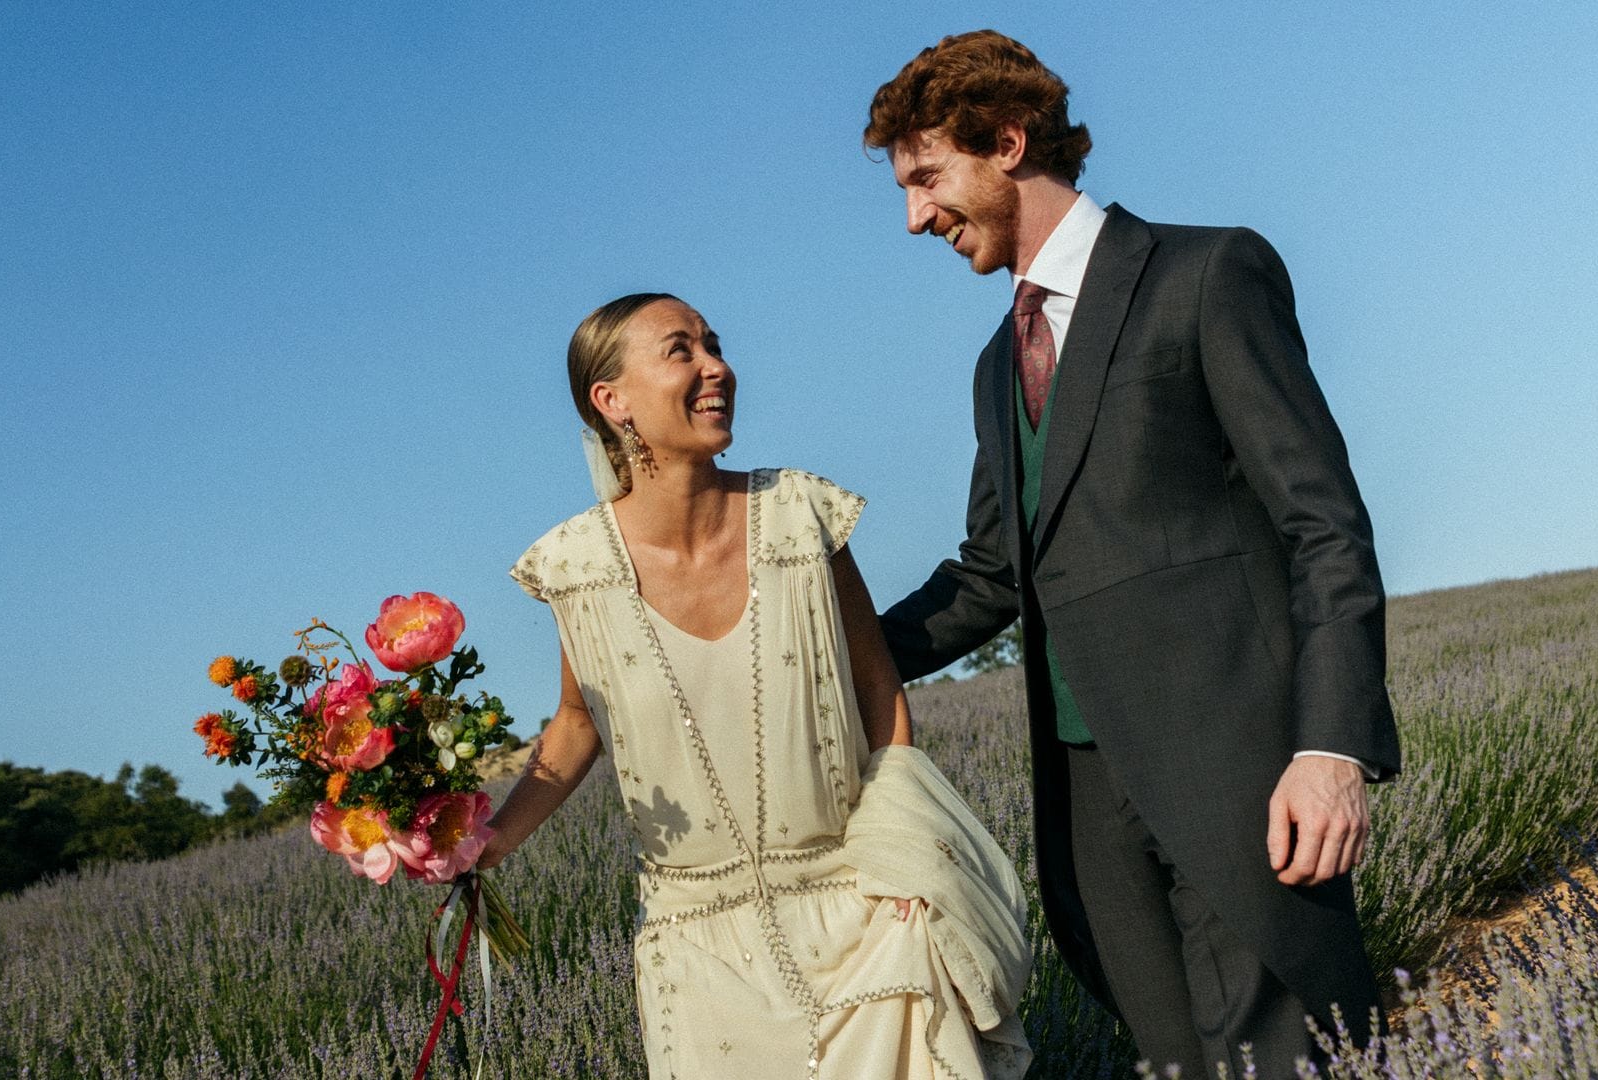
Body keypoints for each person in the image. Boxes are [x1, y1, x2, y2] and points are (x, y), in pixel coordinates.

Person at [864, 31, 1403, 1079]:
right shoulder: (993, 365)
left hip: (1242, 781)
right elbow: (989, 577)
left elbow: (1323, 525)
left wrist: (1331, 749)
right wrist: (824, 655)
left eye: (928, 178)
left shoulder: (1207, 275)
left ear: (1009, 142)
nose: (915, 216)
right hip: (1089, 818)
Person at [479, 293, 1033, 1080]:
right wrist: (491, 841)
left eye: (715, 344)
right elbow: (576, 723)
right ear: (613, 400)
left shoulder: (800, 515)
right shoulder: (574, 571)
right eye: (682, 351)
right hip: (700, 961)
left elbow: (881, 700)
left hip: (865, 926)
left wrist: (903, 867)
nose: (717, 368)